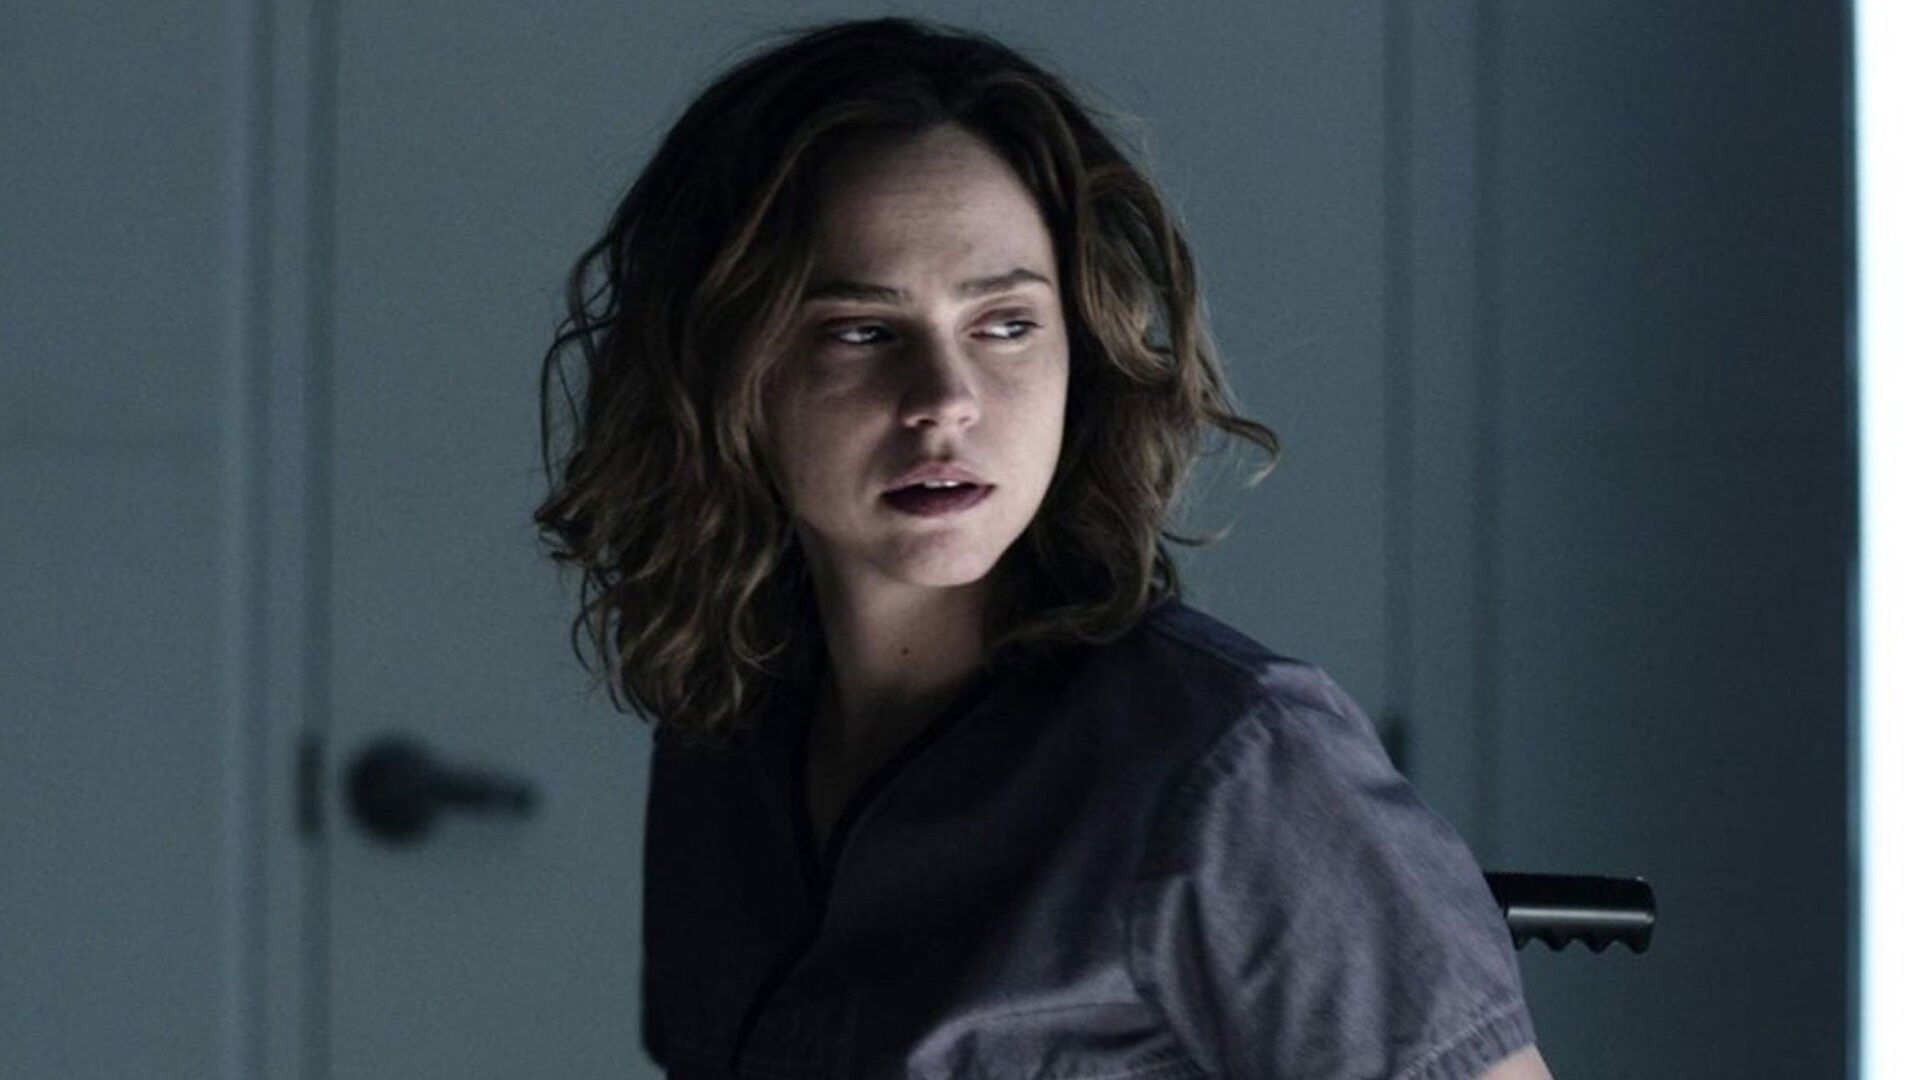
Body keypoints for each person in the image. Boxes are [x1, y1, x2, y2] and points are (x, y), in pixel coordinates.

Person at [533, 15, 1552, 1080]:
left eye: (1006, 324)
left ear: (1083, 350)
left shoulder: (1234, 767)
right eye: (862, 332)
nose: (945, 400)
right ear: (722, 370)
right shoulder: (725, 736)